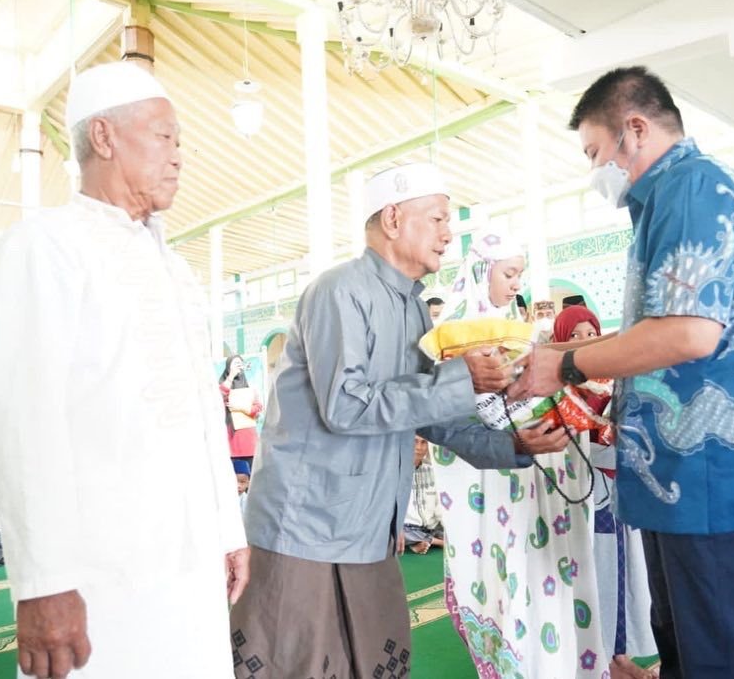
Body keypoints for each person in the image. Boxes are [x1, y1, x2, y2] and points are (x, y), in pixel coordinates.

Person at [508, 66, 734, 679]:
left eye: (595, 152)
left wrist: (565, 365)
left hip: (708, 472)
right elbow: (661, 324)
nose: (596, 171)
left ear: (634, 128)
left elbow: (689, 332)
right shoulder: (668, 201)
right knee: (693, 644)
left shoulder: (691, 190)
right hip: (681, 474)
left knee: (727, 654)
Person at [231, 161, 571, 678]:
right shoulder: (339, 291)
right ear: (392, 219)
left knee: (372, 660)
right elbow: (348, 405)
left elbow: (424, 409)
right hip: (306, 525)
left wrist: (514, 445)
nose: (448, 232)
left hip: (368, 525)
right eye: (436, 218)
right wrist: (461, 379)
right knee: (297, 664)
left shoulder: (410, 307)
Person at [0, 61, 248, 679]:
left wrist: (227, 530)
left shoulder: (173, 269)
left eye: (180, 142)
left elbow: (205, 411)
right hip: (96, 575)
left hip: (190, 559)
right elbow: (22, 424)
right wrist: (42, 583)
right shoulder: (41, 247)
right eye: (164, 136)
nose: (179, 156)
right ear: (103, 137)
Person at [433, 230, 609, 678]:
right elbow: (446, 418)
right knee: (511, 573)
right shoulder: (449, 334)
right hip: (493, 485)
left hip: (541, 475)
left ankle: (563, 664)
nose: (516, 284)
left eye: (519, 275)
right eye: (509, 274)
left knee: (550, 572)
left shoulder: (521, 331)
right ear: (480, 273)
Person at [551, 305, 658, 678]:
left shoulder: (616, 380)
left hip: (620, 494)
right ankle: (593, 659)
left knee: (622, 574)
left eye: (591, 332)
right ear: (559, 342)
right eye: (575, 336)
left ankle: (619, 656)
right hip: (582, 496)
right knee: (590, 577)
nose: (586, 342)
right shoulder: (558, 390)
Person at [403, 436, 443, 554]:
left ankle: (421, 542)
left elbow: (439, 504)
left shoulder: (433, 471)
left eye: (423, 442)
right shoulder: (395, 470)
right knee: (390, 533)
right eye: (414, 442)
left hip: (431, 529)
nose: (419, 447)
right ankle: (439, 542)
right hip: (406, 529)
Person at [221, 355, 262, 466]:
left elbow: (258, 408)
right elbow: (220, 396)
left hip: (250, 441)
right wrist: (231, 376)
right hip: (233, 442)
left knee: (252, 478)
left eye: (240, 363)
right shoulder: (224, 384)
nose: (238, 365)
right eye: (235, 363)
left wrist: (241, 407)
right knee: (237, 479)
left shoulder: (249, 387)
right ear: (228, 367)